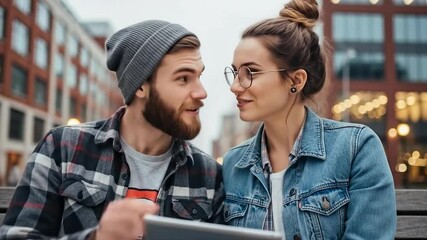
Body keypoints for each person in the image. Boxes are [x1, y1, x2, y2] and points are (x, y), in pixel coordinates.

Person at [0, 20, 224, 240]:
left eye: (199, 76)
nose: (201, 92)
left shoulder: (209, 174)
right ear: (140, 87)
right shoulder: (62, 148)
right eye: (184, 78)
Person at [221, 0, 396, 239]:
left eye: (250, 73)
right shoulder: (233, 164)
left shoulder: (357, 148)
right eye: (235, 73)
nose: (234, 87)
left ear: (296, 81)